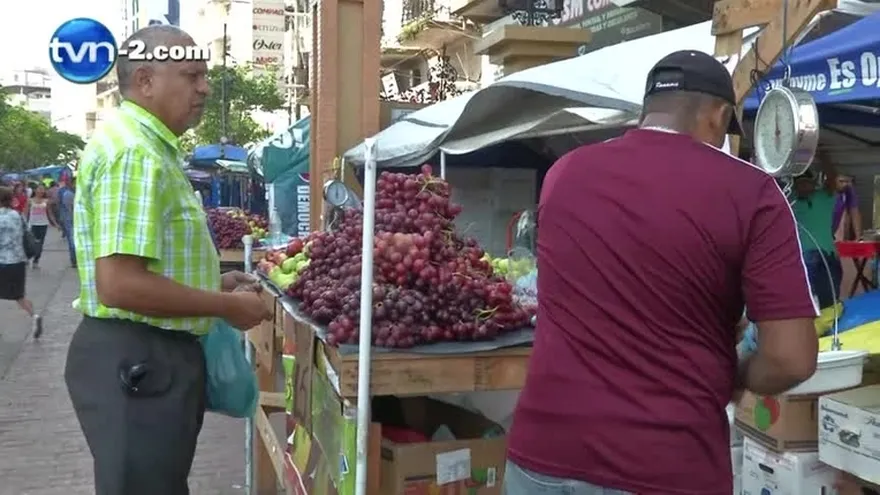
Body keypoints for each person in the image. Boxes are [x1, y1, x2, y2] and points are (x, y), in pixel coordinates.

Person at [504, 51, 819, 495]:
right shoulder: (753, 194)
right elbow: (792, 357)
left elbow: (614, 289)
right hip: (664, 466)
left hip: (541, 459)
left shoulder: (564, 175)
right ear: (718, 116)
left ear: (647, 110)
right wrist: (735, 373)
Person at [63, 25, 272, 495]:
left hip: (143, 358)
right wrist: (225, 308)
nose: (203, 88)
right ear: (145, 81)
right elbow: (119, 284)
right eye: (190, 75)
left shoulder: (147, 146)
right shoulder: (134, 154)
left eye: (204, 76)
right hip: (138, 360)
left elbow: (142, 270)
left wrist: (211, 286)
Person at [790, 168, 843, 309]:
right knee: (808, 297)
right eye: (800, 183)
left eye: (806, 183)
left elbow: (833, 179)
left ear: (813, 184)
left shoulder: (824, 197)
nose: (803, 187)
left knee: (830, 297)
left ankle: (829, 322)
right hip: (805, 256)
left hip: (827, 254)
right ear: (795, 185)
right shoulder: (791, 201)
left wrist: (824, 157)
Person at [0, 186, 43, 338]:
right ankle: (34, 316)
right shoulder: (17, 215)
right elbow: (27, 233)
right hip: (18, 261)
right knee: (19, 296)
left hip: (2, 261)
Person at [27, 184, 54, 269]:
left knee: (40, 244)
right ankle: (28, 257)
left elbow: (50, 213)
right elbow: (26, 213)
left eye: (43, 189)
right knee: (33, 243)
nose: (41, 191)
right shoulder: (30, 201)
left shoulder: (46, 201)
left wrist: (56, 223)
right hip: (33, 224)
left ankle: (36, 260)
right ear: (35, 190)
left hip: (43, 225)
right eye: (40, 189)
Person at [832, 173, 861, 241]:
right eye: (841, 181)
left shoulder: (849, 190)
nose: (845, 184)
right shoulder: (828, 193)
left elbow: (855, 212)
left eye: (847, 182)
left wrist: (858, 237)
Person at [58, 177, 76, 267]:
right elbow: (70, 209)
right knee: (72, 241)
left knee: (73, 240)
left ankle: (75, 259)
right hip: (70, 219)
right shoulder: (68, 194)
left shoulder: (75, 193)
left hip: (71, 219)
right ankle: (74, 260)